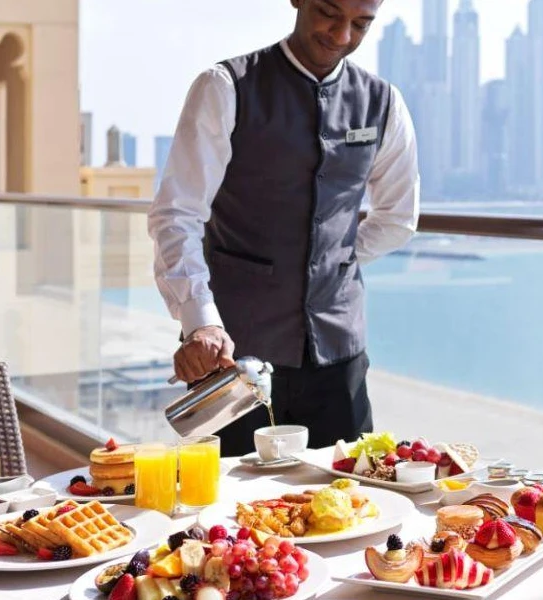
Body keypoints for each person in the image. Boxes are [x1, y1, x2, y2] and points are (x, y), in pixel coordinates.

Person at [148, 0, 418, 456]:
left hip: (339, 360)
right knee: (229, 517)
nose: (342, 35)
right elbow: (177, 215)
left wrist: (333, 260)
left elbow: (397, 218)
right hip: (234, 358)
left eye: (361, 24)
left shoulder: (384, 103)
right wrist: (199, 322)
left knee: (350, 503)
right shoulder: (225, 86)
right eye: (329, 13)